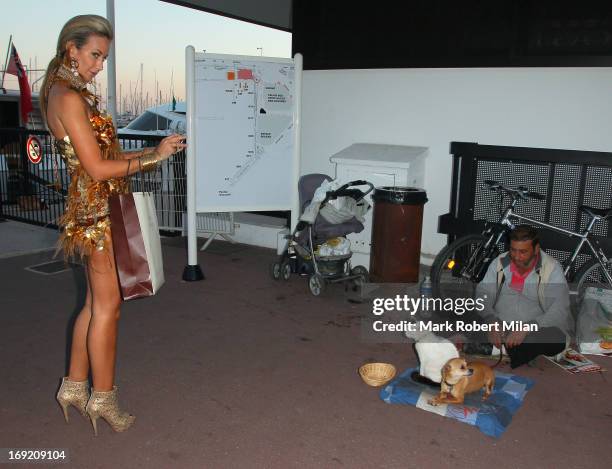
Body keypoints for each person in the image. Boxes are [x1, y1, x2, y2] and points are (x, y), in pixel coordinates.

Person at [41, 15, 186, 435]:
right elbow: (98, 167)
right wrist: (154, 157)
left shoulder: (64, 92)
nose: (99, 64)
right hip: (97, 213)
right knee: (109, 307)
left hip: (92, 208)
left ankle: (73, 385)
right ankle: (102, 398)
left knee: (92, 304)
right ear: (72, 49)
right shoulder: (68, 97)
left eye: (103, 57)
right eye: (94, 55)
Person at [474, 225, 573, 368]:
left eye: (523, 252)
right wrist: (491, 320)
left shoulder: (551, 268)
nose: (516, 256)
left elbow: (559, 310)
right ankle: (514, 351)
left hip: (534, 329)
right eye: (513, 250)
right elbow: (483, 293)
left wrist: (528, 327)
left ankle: (497, 349)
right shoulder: (500, 261)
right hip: (502, 325)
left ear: (536, 249)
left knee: (555, 338)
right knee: (467, 314)